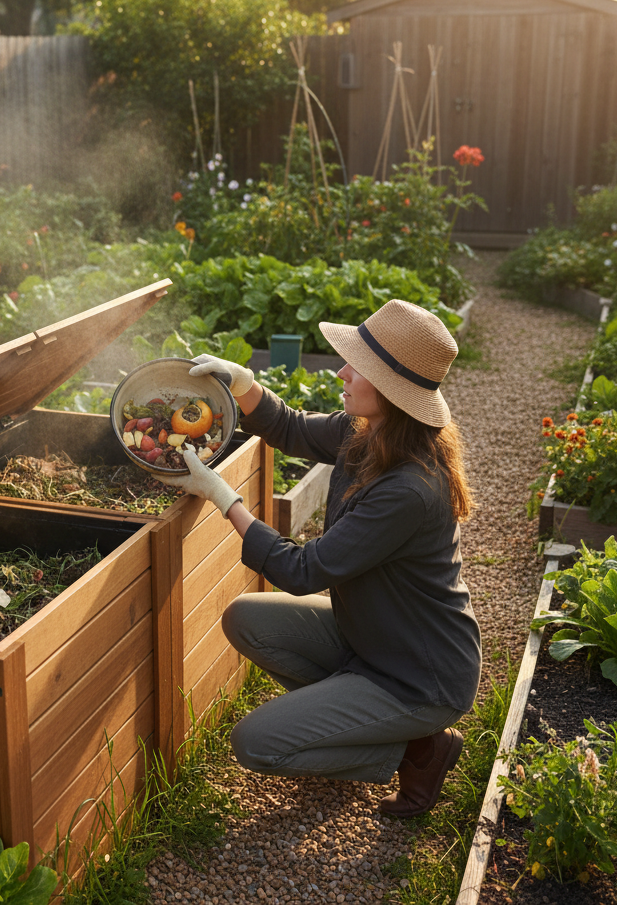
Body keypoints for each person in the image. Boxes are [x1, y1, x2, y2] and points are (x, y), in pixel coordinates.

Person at [160, 298, 480, 818]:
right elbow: (292, 428)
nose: (342, 371)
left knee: (256, 743)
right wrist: (242, 383)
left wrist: (223, 497)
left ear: (393, 391)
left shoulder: (409, 489)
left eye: (359, 367)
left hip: (420, 676)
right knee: (246, 618)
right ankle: (349, 721)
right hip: (374, 639)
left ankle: (419, 748)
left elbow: (301, 571)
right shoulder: (373, 435)